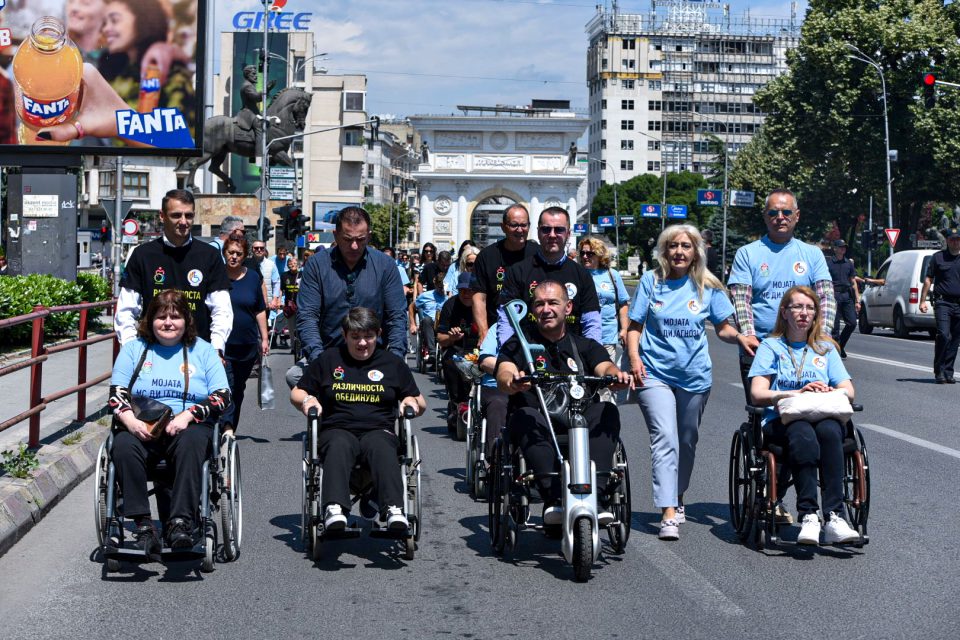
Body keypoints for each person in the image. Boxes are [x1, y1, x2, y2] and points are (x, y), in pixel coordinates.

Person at [626, 225, 749, 541]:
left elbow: (722, 327)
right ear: (664, 251)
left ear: (696, 251)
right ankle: (668, 510)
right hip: (654, 373)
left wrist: (739, 337)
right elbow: (634, 326)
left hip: (694, 376)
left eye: (686, 246)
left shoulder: (707, 286)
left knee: (686, 439)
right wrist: (635, 359)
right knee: (664, 437)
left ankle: (678, 493)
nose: (679, 251)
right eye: (673, 246)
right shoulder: (651, 282)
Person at [726, 189, 835, 524]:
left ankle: (792, 492)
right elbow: (741, 298)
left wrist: (824, 337)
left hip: (803, 346)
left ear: (797, 216)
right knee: (770, 422)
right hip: (762, 347)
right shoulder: (748, 253)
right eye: (774, 213)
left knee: (808, 415)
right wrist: (748, 336)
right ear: (765, 217)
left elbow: (825, 297)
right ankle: (768, 494)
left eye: (786, 213)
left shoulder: (811, 254)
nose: (780, 218)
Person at [496, 280, 632, 525]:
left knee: (607, 410)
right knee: (524, 415)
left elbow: (605, 366)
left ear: (567, 308)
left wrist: (616, 376)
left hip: (580, 420)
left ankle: (597, 498)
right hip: (537, 423)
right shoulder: (519, 344)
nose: (546, 309)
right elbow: (504, 372)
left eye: (553, 303)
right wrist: (512, 381)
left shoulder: (584, 345)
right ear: (532, 309)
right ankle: (554, 499)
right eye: (539, 304)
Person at [108, 290, 231, 557]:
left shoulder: (203, 350)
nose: (168, 322)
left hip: (188, 424)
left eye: (175, 317)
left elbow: (222, 396)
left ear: (186, 320)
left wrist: (189, 416)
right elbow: (117, 393)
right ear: (149, 320)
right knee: (123, 445)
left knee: (193, 443)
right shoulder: (133, 350)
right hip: (143, 424)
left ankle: (180, 522)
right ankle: (142, 524)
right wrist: (129, 421)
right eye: (161, 316)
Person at [291, 308, 426, 531]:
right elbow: (296, 392)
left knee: (382, 446)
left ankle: (393, 509)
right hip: (337, 428)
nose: (362, 343)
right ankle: (334, 508)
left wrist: (410, 401)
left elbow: (420, 402)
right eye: (355, 337)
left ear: (378, 334)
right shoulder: (329, 359)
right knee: (339, 444)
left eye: (369, 336)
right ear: (345, 336)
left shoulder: (391, 363)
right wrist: (307, 401)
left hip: (378, 429)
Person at [748, 286, 860, 545]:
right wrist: (794, 393)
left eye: (809, 308)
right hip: (783, 420)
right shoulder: (771, 346)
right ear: (785, 312)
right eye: (797, 307)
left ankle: (834, 516)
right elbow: (757, 393)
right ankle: (809, 514)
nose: (804, 313)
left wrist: (830, 389)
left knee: (831, 431)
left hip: (822, 414)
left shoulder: (826, 348)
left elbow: (849, 391)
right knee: (803, 433)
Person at [115, 189, 233, 353]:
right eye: (176, 215)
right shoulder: (142, 255)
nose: (184, 222)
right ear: (162, 216)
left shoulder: (210, 255)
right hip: (151, 352)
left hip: (197, 352)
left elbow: (222, 309)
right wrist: (130, 348)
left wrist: (216, 348)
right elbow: (126, 309)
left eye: (189, 215)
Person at [296, 206, 408, 366]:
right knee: (293, 377)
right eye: (348, 239)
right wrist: (318, 360)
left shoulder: (385, 265)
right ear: (335, 235)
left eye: (360, 239)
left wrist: (395, 360)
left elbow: (396, 316)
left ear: (369, 236)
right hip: (327, 356)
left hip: (375, 358)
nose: (354, 246)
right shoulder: (317, 264)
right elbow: (307, 315)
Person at [497, 206, 601, 345]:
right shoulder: (517, 271)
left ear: (568, 233)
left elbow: (592, 323)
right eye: (546, 229)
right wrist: (506, 357)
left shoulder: (582, 275)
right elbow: (506, 320)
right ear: (538, 232)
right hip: (527, 356)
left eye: (559, 229)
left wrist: (593, 357)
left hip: (571, 357)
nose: (552, 235)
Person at [220, 233, 269, 438]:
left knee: (238, 389)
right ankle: (225, 428)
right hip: (222, 345)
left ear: (244, 255)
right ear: (224, 253)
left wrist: (264, 338)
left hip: (247, 344)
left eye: (238, 254)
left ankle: (230, 428)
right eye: (230, 252)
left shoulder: (253, 277)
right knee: (226, 387)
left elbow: (259, 309)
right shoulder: (216, 275)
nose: (234, 257)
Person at [472, 204, 540, 343]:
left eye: (524, 225)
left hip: (535, 329)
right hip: (497, 329)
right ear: (503, 227)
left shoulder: (539, 254)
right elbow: (479, 297)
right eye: (514, 225)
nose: (520, 230)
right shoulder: (487, 256)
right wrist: (483, 332)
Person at [437, 273, 482, 432]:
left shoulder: (483, 305)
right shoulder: (450, 305)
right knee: (449, 361)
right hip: (457, 350)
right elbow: (440, 338)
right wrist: (451, 337)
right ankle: (456, 404)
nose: (467, 294)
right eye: (463, 290)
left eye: (470, 290)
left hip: (480, 349)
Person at [577, 237, 629, 363]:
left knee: (606, 375)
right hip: (582, 335)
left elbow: (623, 304)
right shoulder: (577, 273)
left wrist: (624, 329)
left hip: (607, 335)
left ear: (600, 255)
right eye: (582, 253)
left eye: (590, 253)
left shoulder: (612, 274)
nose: (585, 256)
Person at [919, 227, 960, 384]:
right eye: (952, 239)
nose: (955, 242)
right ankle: (939, 370)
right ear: (948, 241)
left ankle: (948, 372)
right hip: (943, 302)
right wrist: (922, 301)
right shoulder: (938, 258)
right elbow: (928, 279)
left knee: (955, 339)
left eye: (958, 239)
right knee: (944, 335)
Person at [827, 240, 860, 358]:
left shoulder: (849, 263)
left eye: (844, 247)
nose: (843, 249)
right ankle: (836, 352)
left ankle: (840, 346)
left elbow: (853, 281)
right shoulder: (828, 264)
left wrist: (857, 300)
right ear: (834, 248)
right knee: (834, 328)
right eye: (840, 247)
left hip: (846, 295)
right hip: (833, 295)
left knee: (851, 323)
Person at [411, 273, 447, 367]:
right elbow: (412, 307)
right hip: (429, 324)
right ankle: (432, 353)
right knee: (426, 320)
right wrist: (413, 324)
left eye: (444, 287)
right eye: (440, 287)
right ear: (435, 284)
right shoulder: (425, 296)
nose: (442, 290)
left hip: (443, 324)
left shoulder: (449, 297)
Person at [251, 240, 282, 318]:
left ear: (264, 250)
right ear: (252, 249)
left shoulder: (271, 264)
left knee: (264, 328)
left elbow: (276, 283)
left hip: (266, 304)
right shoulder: (246, 263)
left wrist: (275, 299)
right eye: (256, 248)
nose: (259, 250)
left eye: (261, 248)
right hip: (250, 303)